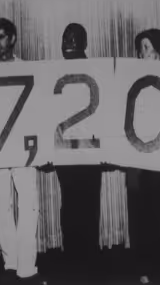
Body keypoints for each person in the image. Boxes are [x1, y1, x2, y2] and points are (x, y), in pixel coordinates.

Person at [0, 18, 43, 283]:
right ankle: (11, 261)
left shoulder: (29, 69)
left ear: (14, 38)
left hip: (23, 148)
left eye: (3, 37)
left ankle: (27, 266)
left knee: (29, 204)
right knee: (0, 207)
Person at [125, 29, 160, 284]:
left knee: (158, 211)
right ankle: (142, 266)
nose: (143, 53)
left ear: (159, 51)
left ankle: (159, 260)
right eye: (141, 49)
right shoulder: (130, 80)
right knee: (139, 213)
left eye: (147, 47)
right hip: (138, 155)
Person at [55, 23, 103, 273]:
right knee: (71, 205)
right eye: (65, 37)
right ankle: (74, 256)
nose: (68, 42)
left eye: (73, 38)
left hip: (90, 150)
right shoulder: (54, 72)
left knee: (87, 205)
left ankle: (87, 259)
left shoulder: (95, 70)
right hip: (65, 150)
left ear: (83, 43)